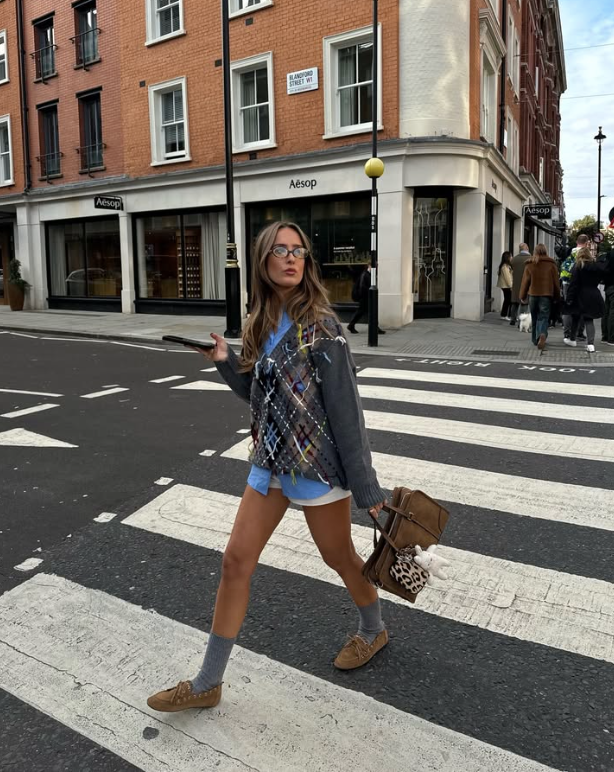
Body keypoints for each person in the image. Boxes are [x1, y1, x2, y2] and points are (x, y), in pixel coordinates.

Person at [147, 221, 389, 713]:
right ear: (263, 260)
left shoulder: (323, 328)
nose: (291, 258)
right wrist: (224, 359)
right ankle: (208, 682)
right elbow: (256, 395)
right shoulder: (258, 321)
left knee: (339, 557)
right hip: (269, 465)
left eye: (298, 250)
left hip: (316, 467)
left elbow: (347, 412)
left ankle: (374, 628)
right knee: (235, 561)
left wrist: (367, 488)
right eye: (280, 250)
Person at [519, 243, 561, 351]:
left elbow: (525, 282)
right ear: (545, 251)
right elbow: (556, 283)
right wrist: (557, 296)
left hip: (533, 295)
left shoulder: (530, 264)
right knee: (543, 317)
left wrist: (522, 295)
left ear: (535, 251)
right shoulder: (551, 264)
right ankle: (542, 334)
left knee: (534, 317)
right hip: (546, 295)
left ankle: (535, 339)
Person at [564, 247, 606, 353]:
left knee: (575, 317)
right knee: (589, 319)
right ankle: (590, 344)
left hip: (580, 295)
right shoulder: (596, 267)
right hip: (593, 294)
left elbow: (574, 284)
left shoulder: (578, 266)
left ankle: (572, 339)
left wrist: (569, 298)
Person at [560, 235, 589, 341]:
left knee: (568, 307)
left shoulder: (570, 252)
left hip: (566, 283)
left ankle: (566, 333)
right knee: (581, 308)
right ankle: (579, 332)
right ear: (586, 243)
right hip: (580, 284)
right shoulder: (585, 254)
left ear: (577, 242)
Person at [347, 264, 385, 334]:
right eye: (375, 267)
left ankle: (375, 328)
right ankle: (351, 325)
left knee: (368, 312)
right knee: (363, 312)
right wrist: (367, 296)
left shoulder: (369, 274)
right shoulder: (365, 274)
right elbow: (362, 287)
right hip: (365, 298)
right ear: (369, 266)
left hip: (367, 297)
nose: (376, 269)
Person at [509, 243, 532, 325]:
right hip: (526, 283)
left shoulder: (514, 259)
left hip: (516, 283)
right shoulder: (530, 259)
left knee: (514, 302)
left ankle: (513, 318)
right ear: (527, 248)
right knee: (524, 302)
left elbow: (510, 268)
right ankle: (522, 320)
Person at [599, 248, 614, 346]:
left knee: (607, 311)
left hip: (608, 285)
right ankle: (612, 338)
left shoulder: (610, 253)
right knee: (612, 312)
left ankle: (605, 336)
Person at [496, 251, 513, 319]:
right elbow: (507, 277)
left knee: (507, 300)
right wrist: (511, 286)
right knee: (508, 300)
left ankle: (504, 314)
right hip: (506, 286)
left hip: (505, 286)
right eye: (511, 256)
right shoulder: (505, 267)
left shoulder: (505, 265)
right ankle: (506, 315)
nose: (512, 257)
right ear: (507, 257)